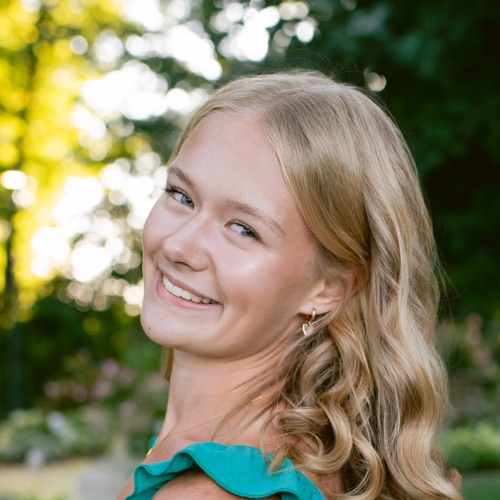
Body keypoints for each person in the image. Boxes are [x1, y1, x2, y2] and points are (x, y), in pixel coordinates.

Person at [117, 71, 461, 499]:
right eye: (181, 195)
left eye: (243, 229)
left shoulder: (206, 492)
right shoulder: (305, 460)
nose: (178, 245)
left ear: (328, 288)